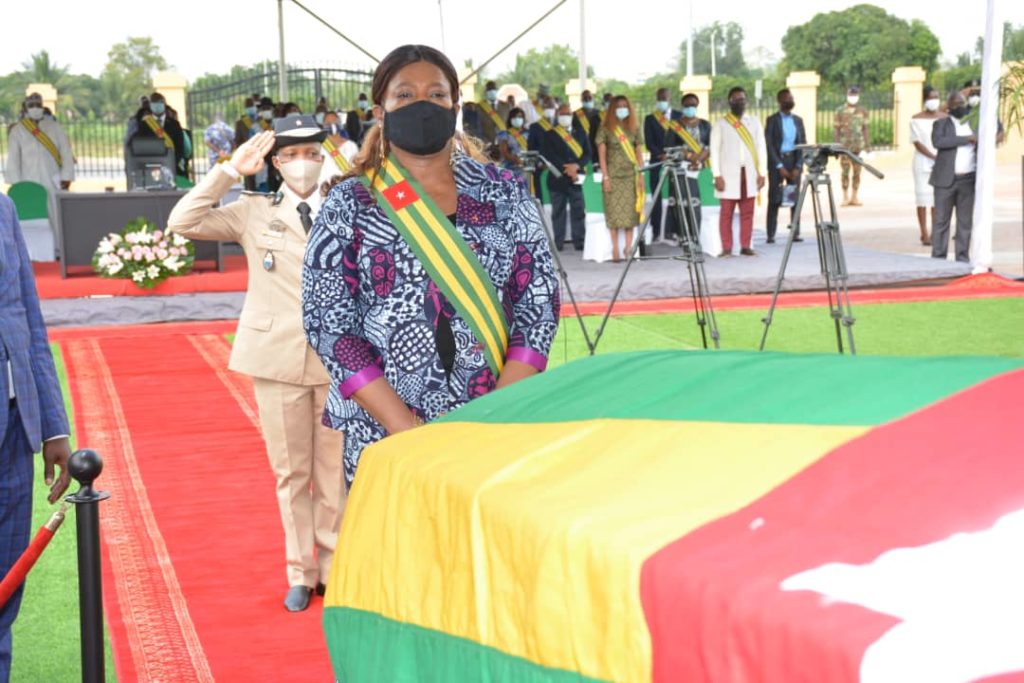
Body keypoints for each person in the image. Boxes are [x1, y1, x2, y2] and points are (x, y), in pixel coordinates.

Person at [302, 44, 559, 486]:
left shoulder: (504, 192)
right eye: (404, 95)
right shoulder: (351, 202)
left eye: (437, 95)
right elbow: (329, 323)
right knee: (397, 553)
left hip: (495, 428)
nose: (422, 105)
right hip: (385, 433)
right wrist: (408, 433)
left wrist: (491, 419)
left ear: (455, 107)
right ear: (380, 112)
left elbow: (538, 307)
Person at [167, 116, 345, 613]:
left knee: (333, 473)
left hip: (339, 361)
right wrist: (228, 170)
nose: (301, 163)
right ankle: (300, 573)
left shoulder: (348, 207)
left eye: (310, 152)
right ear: (276, 162)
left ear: (322, 155)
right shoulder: (252, 210)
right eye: (290, 155)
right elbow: (183, 221)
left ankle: (334, 568)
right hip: (277, 359)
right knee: (291, 473)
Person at [0, 193, 72, 681]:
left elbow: (26, 312)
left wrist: (52, 423)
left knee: (6, 585)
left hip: (12, 428)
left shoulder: (2, 207)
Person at [5, 92, 75, 234]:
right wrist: (18, 184)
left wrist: (66, 176)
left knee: (55, 213)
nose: (35, 108)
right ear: (26, 107)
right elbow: (13, 159)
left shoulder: (55, 127)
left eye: (38, 105)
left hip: (53, 179)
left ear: (43, 106)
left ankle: (57, 249)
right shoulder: (18, 130)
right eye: (31, 105)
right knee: (30, 217)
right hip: (28, 180)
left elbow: (66, 153)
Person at [711, 86, 766, 257]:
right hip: (727, 175)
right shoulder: (721, 123)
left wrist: (762, 172)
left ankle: (745, 246)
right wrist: (716, 175)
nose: (739, 102)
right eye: (735, 99)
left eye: (742, 99)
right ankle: (726, 247)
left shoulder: (754, 122)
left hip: (749, 173)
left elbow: (761, 148)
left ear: (746, 101)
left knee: (747, 212)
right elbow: (714, 151)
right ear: (730, 102)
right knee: (726, 213)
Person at [929, 91, 977, 263]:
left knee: (965, 222)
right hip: (944, 181)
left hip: (968, 180)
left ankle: (962, 259)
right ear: (949, 107)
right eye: (955, 104)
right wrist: (967, 139)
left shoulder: (974, 123)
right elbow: (940, 142)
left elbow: (993, 132)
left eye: (962, 103)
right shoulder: (941, 124)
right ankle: (938, 259)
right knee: (941, 221)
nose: (959, 106)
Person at [596, 95, 645, 262]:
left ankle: (628, 247)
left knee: (631, 214)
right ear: (612, 109)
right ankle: (615, 247)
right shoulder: (605, 129)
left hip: (631, 176)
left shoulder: (635, 128)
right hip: (613, 177)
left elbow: (639, 153)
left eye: (625, 105)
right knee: (614, 213)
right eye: (619, 106)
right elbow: (601, 156)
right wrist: (606, 177)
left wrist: (641, 174)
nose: (622, 109)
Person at [540, 102, 591, 251]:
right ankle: (559, 243)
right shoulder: (550, 134)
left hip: (577, 178)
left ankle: (579, 242)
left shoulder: (581, 133)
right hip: (557, 179)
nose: (565, 117)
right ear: (557, 116)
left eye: (567, 114)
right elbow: (548, 154)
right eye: (562, 114)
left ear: (572, 116)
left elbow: (587, 154)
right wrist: (567, 168)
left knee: (578, 210)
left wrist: (576, 166)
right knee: (558, 212)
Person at [665, 92, 711, 241]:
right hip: (681, 169)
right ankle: (684, 236)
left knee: (697, 204)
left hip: (700, 170)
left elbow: (710, 146)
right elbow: (670, 148)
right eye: (687, 105)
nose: (690, 108)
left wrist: (698, 161)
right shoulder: (675, 126)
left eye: (693, 105)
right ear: (682, 107)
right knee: (682, 203)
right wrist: (690, 157)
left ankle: (697, 236)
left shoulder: (705, 125)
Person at [764, 88, 807, 244]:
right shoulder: (772, 120)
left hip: (793, 161)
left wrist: (798, 165)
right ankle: (771, 234)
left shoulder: (798, 121)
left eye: (791, 98)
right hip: (778, 163)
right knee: (774, 198)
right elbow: (769, 145)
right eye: (786, 98)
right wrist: (779, 165)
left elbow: (802, 143)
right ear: (780, 101)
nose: (790, 101)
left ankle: (795, 232)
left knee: (794, 198)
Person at [643, 87, 680, 243]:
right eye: (659, 99)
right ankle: (657, 230)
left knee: (676, 195)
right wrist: (661, 155)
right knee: (656, 196)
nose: (662, 102)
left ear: (670, 99)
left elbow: (682, 139)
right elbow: (649, 142)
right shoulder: (650, 119)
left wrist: (672, 155)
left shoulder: (679, 116)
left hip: (675, 161)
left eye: (664, 99)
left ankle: (675, 230)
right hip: (656, 161)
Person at [910, 86, 946, 246]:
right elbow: (916, 142)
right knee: (922, 199)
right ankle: (924, 233)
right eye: (931, 97)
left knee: (936, 199)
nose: (934, 100)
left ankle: (935, 232)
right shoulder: (916, 119)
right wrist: (932, 156)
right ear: (924, 100)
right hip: (922, 161)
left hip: (941, 162)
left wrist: (941, 157)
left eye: (936, 97)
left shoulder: (944, 118)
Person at [129, 92, 187, 181]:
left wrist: (172, 162)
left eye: (160, 103)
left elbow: (180, 147)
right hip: (151, 167)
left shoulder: (174, 124)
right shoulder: (144, 124)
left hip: (172, 166)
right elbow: (138, 144)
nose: (157, 106)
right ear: (150, 106)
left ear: (164, 104)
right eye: (154, 103)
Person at [834, 85, 869, 206]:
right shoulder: (839, 111)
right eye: (851, 94)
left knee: (857, 172)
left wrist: (867, 145)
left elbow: (865, 128)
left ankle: (854, 196)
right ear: (847, 95)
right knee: (845, 171)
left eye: (855, 95)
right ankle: (845, 197)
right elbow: (837, 129)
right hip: (844, 147)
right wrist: (837, 145)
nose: (853, 97)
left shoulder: (862, 111)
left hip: (858, 147)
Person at [318, 110, 359, 189]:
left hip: (348, 189)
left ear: (340, 123)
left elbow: (356, 170)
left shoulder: (351, 146)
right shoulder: (319, 147)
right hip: (325, 190)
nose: (332, 125)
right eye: (328, 123)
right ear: (323, 126)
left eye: (335, 122)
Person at [496, 107, 529, 171]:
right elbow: (504, 152)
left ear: (523, 119)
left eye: (520, 117)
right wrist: (515, 159)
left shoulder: (529, 133)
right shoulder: (505, 134)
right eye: (514, 117)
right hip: (510, 167)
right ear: (510, 119)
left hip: (527, 166)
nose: (517, 119)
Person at [574, 89, 601, 154]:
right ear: (581, 100)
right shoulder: (575, 115)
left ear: (593, 98)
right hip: (581, 146)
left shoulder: (600, 113)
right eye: (585, 98)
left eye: (589, 97)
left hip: (597, 145)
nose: (587, 99)